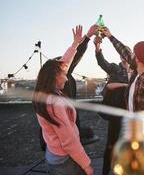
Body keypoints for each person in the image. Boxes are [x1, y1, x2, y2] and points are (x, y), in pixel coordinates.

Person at [102, 27, 144, 175]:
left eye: (134, 53)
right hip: (136, 140)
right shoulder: (139, 71)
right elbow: (124, 51)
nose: (131, 55)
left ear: (138, 58)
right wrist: (110, 36)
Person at [33, 25, 94, 175]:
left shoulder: (43, 92)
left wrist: (75, 44)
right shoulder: (55, 104)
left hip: (53, 154)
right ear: (55, 77)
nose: (67, 78)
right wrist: (87, 165)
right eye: (64, 74)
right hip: (64, 162)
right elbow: (69, 141)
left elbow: (64, 63)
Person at [39, 24, 99, 151]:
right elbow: (71, 58)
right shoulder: (54, 99)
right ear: (55, 74)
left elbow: (68, 59)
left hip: (56, 142)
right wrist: (86, 37)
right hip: (62, 146)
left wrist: (79, 42)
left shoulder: (47, 88)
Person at [93, 35, 130, 175]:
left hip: (131, 112)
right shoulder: (115, 68)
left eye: (125, 54)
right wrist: (97, 47)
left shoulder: (134, 71)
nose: (123, 57)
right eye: (122, 55)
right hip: (116, 111)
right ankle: (105, 171)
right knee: (111, 143)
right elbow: (102, 63)